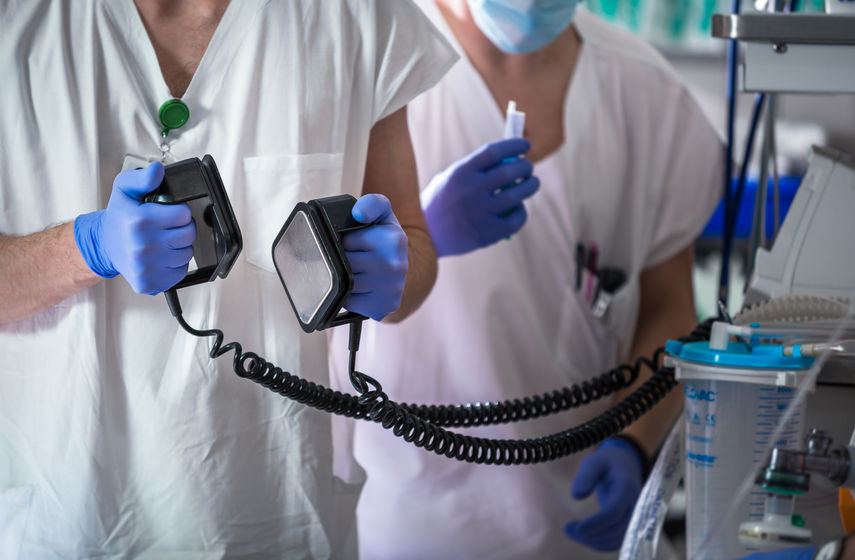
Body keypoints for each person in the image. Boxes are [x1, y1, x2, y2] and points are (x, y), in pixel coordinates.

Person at [0, 0, 457, 557]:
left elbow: (413, 246)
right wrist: (87, 246)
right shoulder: (15, 23)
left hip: (280, 511)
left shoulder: (362, 16)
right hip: (70, 519)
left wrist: (392, 274)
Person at [329, 0, 724, 558]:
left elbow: (670, 307)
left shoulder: (645, 94)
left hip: (583, 518)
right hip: (412, 518)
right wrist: (423, 237)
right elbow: (303, 285)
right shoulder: (380, 57)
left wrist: (634, 441)